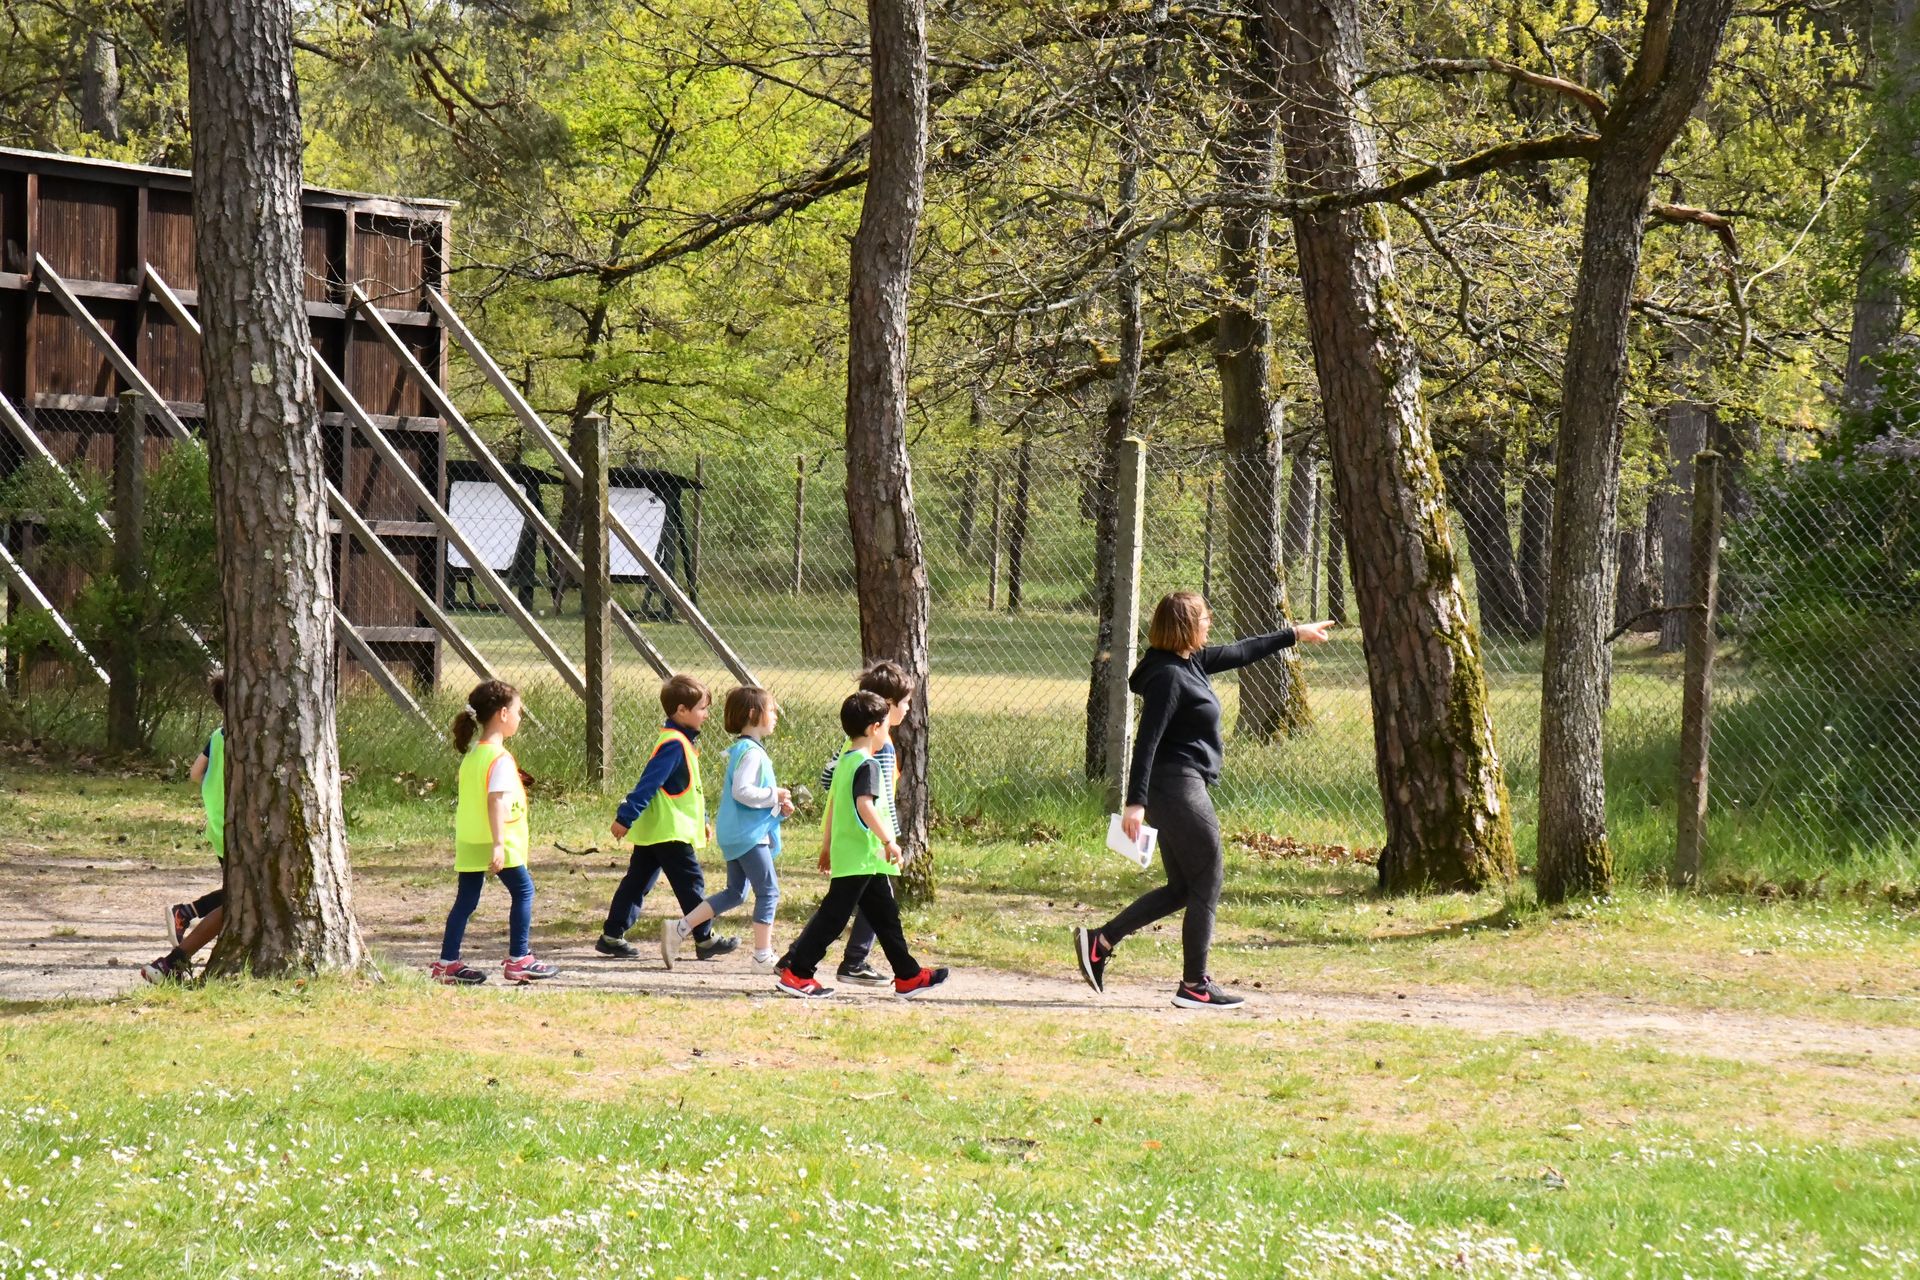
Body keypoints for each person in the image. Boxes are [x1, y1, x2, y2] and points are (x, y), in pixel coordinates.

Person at [1073, 591, 1334, 1010]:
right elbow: (1147, 742)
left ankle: (1099, 943)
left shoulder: (1187, 662)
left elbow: (1241, 652)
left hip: (1178, 786)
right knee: (1208, 877)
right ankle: (1195, 985)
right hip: (1176, 786)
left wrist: (1294, 634)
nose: (1209, 624)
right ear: (1184, 626)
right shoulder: (1169, 677)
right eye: (1204, 619)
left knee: (1182, 887)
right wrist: (1134, 802)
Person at [773, 691, 949, 1000]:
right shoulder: (867, 765)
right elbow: (865, 806)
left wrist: (827, 846)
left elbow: (833, 808)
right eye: (885, 726)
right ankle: (798, 973)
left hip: (862, 858)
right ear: (873, 728)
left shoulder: (845, 762)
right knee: (833, 918)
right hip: (861, 856)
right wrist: (889, 841)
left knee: (885, 916)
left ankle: (907, 975)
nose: (887, 732)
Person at [596, 674, 737, 961]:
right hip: (669, 832)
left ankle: (612, 935)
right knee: (691, 884)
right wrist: (625, 817)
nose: (707, 715)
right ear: (682, 711)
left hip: (659, 832)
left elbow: (689, 789)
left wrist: (704, 819)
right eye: (702, 709)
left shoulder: (681, 742)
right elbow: (649, 783)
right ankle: (704, 937)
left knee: (636, 883)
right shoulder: (674, 743)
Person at [432, 680, 558, 985]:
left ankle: (447, 963)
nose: (520, 717)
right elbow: (496, 800)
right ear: (502, 714)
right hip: (498, 842)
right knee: (523, 891)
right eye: (518, 711)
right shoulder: (500, 758)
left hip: (469, 841)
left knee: (465, 901)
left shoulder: (472, 756)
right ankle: (520, 959)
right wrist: (499, 844)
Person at [661, 686, 793, 972]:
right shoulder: (752, 753)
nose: (775, 716)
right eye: (770, 710)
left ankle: (680, 928)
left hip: (738, 835)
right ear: (752, 714)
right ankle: (762, 956)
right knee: (768, 892)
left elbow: (747, 797)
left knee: (735, 893)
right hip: (749, 837)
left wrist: (777, 807)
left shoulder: (745, 749)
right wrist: (775, 795)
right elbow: (742, 792)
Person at [814, 660, 914, 987]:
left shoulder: (850, 747)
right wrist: (888, 838)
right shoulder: (878, 750)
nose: (908, 707)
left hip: (859, 837)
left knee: (857, 904)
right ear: (885, 709)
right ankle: (844, 961)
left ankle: (803, 959)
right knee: (845, 907)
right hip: (868, 840)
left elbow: (828, 780)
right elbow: (872, 800)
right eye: (904, 702)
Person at [141, 672, 230, 984]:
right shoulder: (246, 738)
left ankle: (187, 913)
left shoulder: (218, 736)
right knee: (238, 898)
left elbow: (195, 774)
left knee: (240, 890)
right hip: (235, 831)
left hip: (218, 828)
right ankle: (172, 963)